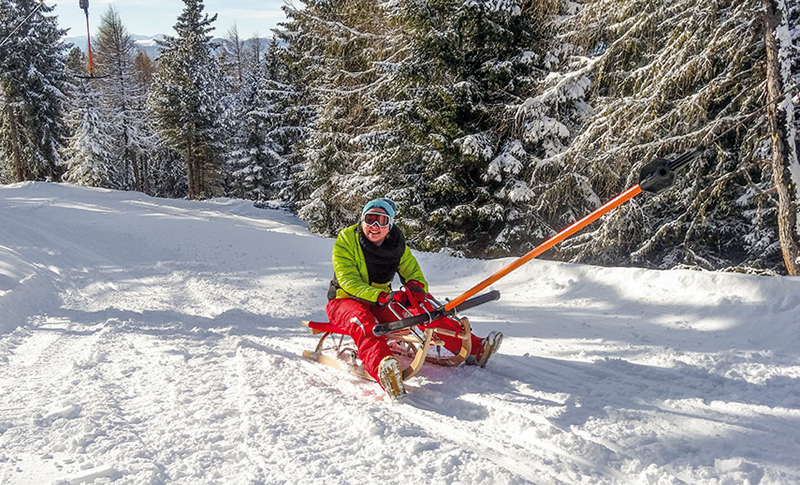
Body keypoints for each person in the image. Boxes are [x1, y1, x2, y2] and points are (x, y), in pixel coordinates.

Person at [326, 197, 503, 399]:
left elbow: (414, 274)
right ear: (362, 220)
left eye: (382, 221)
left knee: (423, 308)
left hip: (380, 301)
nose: (374, 226)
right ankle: (384, 367)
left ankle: (476, 348)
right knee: (363, 322)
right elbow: (349, 282)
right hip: (344, 301)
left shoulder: (396, 246)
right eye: (370, 219)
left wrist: (416, 288)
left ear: (390, 225)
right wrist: (381, 295)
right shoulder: (347, 239)